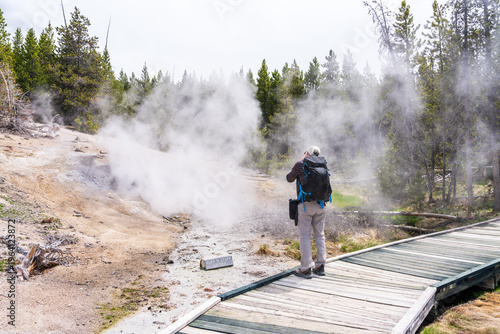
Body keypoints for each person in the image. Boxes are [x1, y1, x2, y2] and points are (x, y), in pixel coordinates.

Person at [286, 146, 327, 279]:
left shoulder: (300, 164)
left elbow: (289, 178)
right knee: (320, 235)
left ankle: (305, 269)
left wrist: (300, 161)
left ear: (307, 153)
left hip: (305, 205)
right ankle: (320, 267)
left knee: (305, 237)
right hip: (321, 204)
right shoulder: (323, 163)